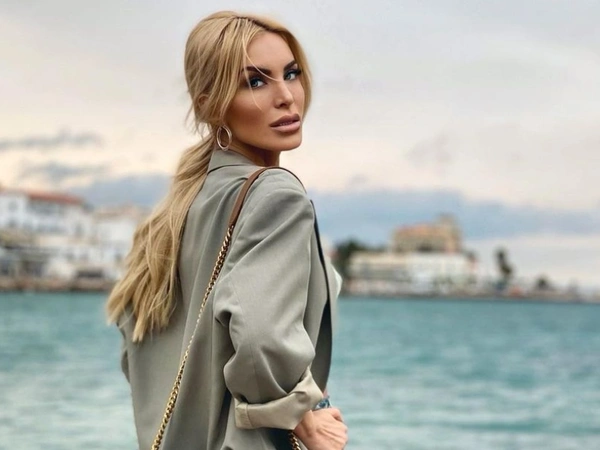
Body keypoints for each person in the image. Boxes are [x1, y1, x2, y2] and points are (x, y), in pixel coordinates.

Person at [106, 10, 348, 450]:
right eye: (255, 82)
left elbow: (136, 356)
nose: (286, 96)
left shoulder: (170, 216)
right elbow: (260, 337)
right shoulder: (276, 195)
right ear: (209, 104)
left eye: (291, 74)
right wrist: (304, 418)